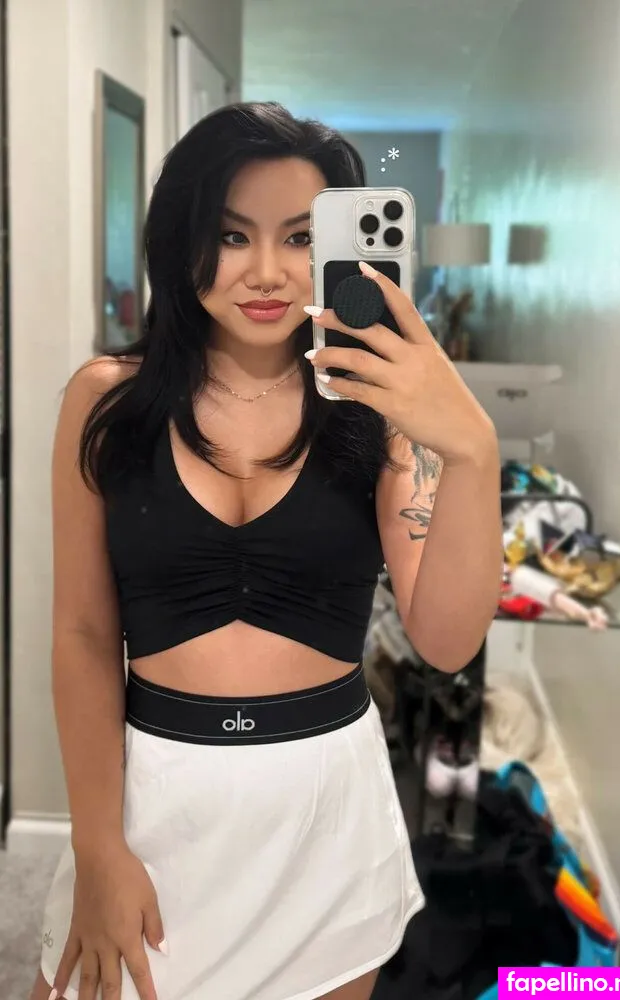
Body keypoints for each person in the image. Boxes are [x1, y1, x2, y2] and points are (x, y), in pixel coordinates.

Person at [32, 102, 502, 1000]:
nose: (265, 272)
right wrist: (95, 845)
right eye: (231, 234)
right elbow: (84, 635)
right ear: (181, 240)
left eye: (299, 238)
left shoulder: (374, 415)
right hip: (156, 793)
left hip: (327, 811)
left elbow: (445, 641)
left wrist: (472, 447)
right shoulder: (108, 402)